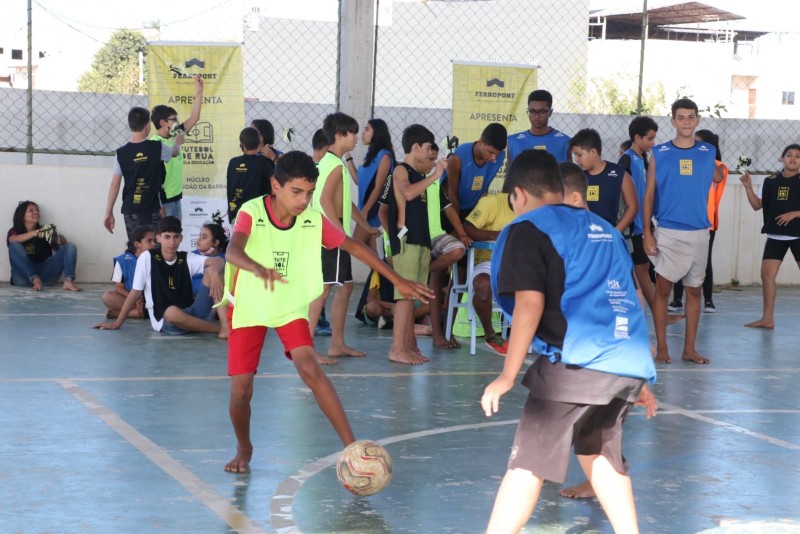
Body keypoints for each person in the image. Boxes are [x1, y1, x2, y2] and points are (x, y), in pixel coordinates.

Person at [218, 150, 433, 473]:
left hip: (289, 305)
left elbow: (354, 246)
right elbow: (233, 249)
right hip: (251, 305)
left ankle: (353, 449)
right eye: (296, 192)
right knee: (241, 390)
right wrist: (255, 267)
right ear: (275, 185)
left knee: (311, 369)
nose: (304, 200)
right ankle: (244, 446)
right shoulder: (252, 211)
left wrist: (397, 279)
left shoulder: (312, 219)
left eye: (309, 193)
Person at [480, 150, 657, 534]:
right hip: (622, 362)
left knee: (527, 464)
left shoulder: (530, 228)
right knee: (601, 455)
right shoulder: (606, 230)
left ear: (519, 195)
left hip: (577, 364)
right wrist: (637, 373)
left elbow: (529, 304)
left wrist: (507, 375)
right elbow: (627, 299)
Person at [643, 98, 725, 365]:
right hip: (669, 232)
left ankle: (689, 349)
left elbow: (718, 176)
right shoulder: (661, 153)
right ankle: (663, 347)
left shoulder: (707, 151)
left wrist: (718, 173)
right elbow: (649, 194)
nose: (686, 122)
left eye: (691, 117)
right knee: (663, 288)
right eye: (681, 117)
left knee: (694, 290)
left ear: (698, 120)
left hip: (701, 232)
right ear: (673, 120)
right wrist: (646, 232)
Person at [306, 112, 378, 362]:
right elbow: (325, 199)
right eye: (352, 132)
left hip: (330, 234)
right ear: (338, 135)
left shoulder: (328, 161)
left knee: (346, 286)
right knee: (323, 291)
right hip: (330, 237)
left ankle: (337, 343)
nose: (356, 137)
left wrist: (365, 226)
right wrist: (337, 231)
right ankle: (307, 349)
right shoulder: (335, 165)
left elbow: (342, 201)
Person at [93, 216, 229, 338]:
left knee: (213, 269)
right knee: (171, 312)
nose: (172, 242)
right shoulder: (148, 257)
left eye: (176, 237)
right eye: (167, 237)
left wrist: (216, 274)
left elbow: (219, 261)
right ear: (159, 238)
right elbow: (135, 292)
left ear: (181, 238)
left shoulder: (186, 258)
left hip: (192, 313)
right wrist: (117, 323)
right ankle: (220, 329)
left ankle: (224, 325)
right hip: (168, 321)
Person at [381, 124, 447, 364]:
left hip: (420, 241)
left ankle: (408, 344)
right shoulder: (401, 170)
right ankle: (396, 348)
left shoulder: (420, 175)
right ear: (415, 147)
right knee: (404, 295)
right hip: (406, 240)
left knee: (412, 296)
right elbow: (407, 194)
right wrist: (435, 176)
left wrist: (428, 245)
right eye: (428, 148)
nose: (431, 154)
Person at [741, 144, 800, 329]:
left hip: (798, 235)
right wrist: (748, 187)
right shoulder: (771, 181)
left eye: (798, 156)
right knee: (767, 276)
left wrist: (795, 213)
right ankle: (767, 319)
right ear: (781, 159)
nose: (793, 158)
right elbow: (757, 205)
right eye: (789, 155)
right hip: (776, 235)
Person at [670, 129, 728, 314]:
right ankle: (677, 298)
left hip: (707, 222)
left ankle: (708, 300)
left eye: (698, 143)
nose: (692, 146)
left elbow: (716, 177)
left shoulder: (717, 166)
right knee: (680, 259)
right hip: (684, 219)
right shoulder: (686, 162)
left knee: (704, 261)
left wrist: (704, 156)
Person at [104, 107, 183, 242]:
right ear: (147, 126)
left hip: (130, 209)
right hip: (152, 208)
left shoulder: (121, 153)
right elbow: (174, 152)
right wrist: (178, 142)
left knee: (137, 247)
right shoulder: (157, 147)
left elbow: (114, 184)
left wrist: (108, 211)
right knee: (154, 251)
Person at [424, 143, 471, 349]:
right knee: (423, 290)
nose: (433, 163)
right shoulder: (404, 176)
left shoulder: (434, 181)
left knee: (457, 251)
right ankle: (436, 335)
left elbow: (448, 207)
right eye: (430, 159)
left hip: (438, 236)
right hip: (415, 240)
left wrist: (461, 233)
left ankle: (423, 271)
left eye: (435, 160)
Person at [462, 192, 515, 354]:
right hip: (488, 262)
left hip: (519, 265)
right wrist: (497, 236)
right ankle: (491, 334)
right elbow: (467, 228)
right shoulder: (491, 203)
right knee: (483, 286)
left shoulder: (539, 208)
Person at [618, 117, 660, 315]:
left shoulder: (642, 159)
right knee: (641, 268)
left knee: (643, 268)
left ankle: (657, 312)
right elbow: (623, 194)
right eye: (650, 139)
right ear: (637, 137)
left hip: (643, 223)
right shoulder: (626, 159)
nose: (653, 143)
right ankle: (657, 313)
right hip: (634, 224)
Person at [149, 76, 204, 221]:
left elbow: (194, 117)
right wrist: (178, 143)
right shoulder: (155, 143)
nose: (178, 122)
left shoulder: (175, 134)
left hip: (175, 197)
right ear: (163, 122)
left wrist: (199, 92)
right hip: (164, 200)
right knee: (167, 237)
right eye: (174, 119)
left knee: (176, 235)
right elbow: (153, 178)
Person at [569, 128, 638, 233]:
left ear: (593, 152)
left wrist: (614, 233)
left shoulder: (619, 174)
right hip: (586, 236)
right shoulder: (576, 177)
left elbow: (633, 207)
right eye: (574, 155)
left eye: (579, 155)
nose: (576, 159)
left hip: (613, 236)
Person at [7, 201, 81, 292]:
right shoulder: (15, 231)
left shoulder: (45, 230)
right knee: (14, 246)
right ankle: (35, 279)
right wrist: (35, 233)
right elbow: (12, 240)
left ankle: (68, 281)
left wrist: (56, 236)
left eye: (37, 210)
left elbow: (64, 247)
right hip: (22, 278)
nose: (36, 212)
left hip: (45, 277)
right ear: (22, 216)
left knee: (70, 246)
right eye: (31, 210)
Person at [444, 123, 507, 224]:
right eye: (490, 152)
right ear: (480, 142)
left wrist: (479, 216)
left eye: (497, 153)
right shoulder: (457, 158)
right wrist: (459, 226)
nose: (494, 158)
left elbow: (484, 187)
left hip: (473, 209)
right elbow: (451, 193)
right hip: (451, 209)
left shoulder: (500, 156)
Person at [355, 118, 395, 251]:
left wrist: (365, 211)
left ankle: (383, 271)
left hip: (371, 209)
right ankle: (379, 271)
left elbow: (379, 187)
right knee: (371, 252)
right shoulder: (370, 155)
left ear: (377, 133)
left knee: (355, 246)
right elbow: (358, 182)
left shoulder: (384, 156)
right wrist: (347, 157)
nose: (363, 133)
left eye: (367, 129)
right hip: (364, 207)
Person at [101, 225, 156, 318]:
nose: (154, 244)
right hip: (134, 300)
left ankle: (123, 314)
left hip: (153, 300)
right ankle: (140, 311)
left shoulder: (159, 259)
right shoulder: (122, 261)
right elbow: (119, 288)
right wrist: (136, 299)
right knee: (107, 296)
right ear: (137, 244)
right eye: (149, 241)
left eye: (155, 240)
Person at [506, 89, 571, 165]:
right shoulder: (513, 141)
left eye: (542, 112)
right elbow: (509, 175)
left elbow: (570, 174)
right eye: (532, 111)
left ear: (550, 113)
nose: (536, 116)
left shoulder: (564, 141)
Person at [226, 127, 274, 224]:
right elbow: (276, 182)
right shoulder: (265, 162)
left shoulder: (233, 162)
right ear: (258, 144)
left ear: (242, 144)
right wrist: (273, 158)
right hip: (259, 214)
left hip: (237, 214)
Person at [191, 222, 228, 295]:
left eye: (204, 237)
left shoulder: (226, 259)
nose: (199, 239)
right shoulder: (193, 254)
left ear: (215, 243)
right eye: (200, 236)